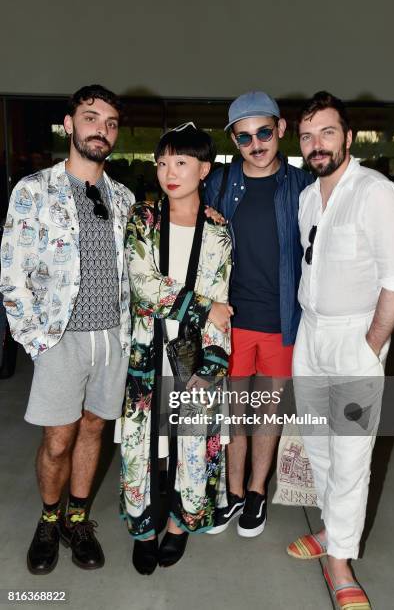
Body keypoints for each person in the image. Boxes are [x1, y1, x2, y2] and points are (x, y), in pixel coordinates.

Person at [0, 84, 134, 574]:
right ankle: (48, 518)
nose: (102, 129)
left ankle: (78, 519)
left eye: (111, 123)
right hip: (60, 338)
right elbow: (12, 273)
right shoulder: (34, 190)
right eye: (92, 118)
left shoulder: (122, 196)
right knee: (59, 439)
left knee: (95, 428)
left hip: (113, 337)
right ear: (69, 124)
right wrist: (36, 342)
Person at [287, 91, 394, 609]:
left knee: (352, 452)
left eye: (327, 133)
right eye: (308, 136)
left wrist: (369, 347)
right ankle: (329, 530)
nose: (317, 145)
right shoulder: (308, 196)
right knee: (316, 444)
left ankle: (339, 561)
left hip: (354, 339)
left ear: (348, 138)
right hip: (310, 335)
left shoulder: (377, 193)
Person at [118, 123, 232, 574]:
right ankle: (144, 529)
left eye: (181, 162)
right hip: (148, 351)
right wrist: (204, 308)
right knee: (139, 443)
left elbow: (223, 302)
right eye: (163, 162)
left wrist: (213, 363)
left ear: (204, 169)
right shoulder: (143, 220)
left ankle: (181, 525)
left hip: (194, 356)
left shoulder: (219, 232)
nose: (169, 171)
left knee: (192, 442)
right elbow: (145, 287)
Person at [203, 91, 314, 537]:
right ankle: (231, 493)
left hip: (282, 322)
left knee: (267, 413)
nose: (256, 143)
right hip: (229, 320)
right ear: (234, 140)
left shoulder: (303, 186)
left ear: (281, 129)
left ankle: (255, 491)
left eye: (264, 131)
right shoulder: (220, 182)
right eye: (245, 136)